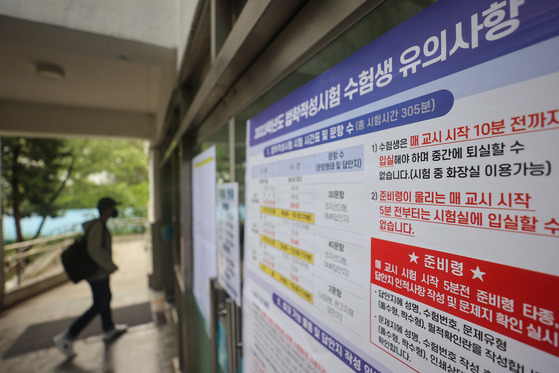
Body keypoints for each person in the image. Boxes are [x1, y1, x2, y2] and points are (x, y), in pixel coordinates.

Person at [53, 197, 127, 357]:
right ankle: (67, 337)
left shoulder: (99, 225)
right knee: (99, 303)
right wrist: (109, 265)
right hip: (96, 273)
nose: (114, 210)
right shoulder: (98, 226)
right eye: (113, 207)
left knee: (105, 298)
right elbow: (95, 250)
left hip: (99, 272)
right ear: (106, 209)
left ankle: (109, 329)